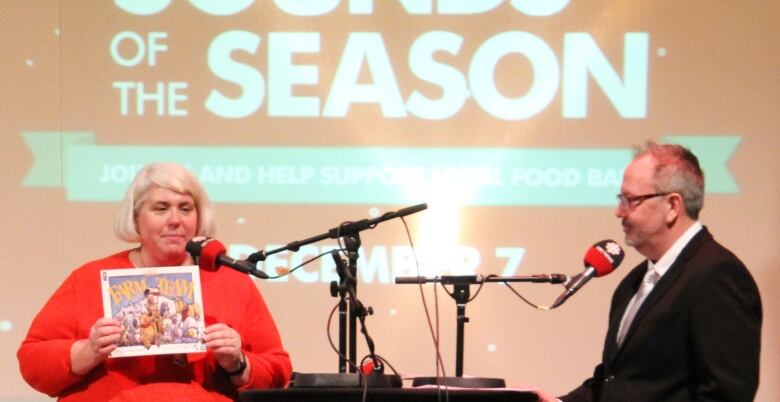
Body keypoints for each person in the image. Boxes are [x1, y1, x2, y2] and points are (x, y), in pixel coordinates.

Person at [18, 163, 292, 401]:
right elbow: (33, 362)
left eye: (185, 209)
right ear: (136, 218)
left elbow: (278, 372)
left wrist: (238, 363)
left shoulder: (230, 281)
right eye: (161, 209)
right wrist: (87, 351)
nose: (175, 220)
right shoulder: (90, 278)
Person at [537, 142, 762, 402]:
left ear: (672, 206)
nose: (618, 212)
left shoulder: (717, 274)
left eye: (630, 200)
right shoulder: (633, 281)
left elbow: (726, 393)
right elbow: (617, 381)